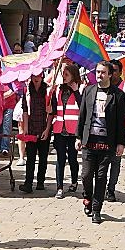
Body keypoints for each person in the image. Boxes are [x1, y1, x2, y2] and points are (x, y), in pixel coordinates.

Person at [75, 61, 125, 224]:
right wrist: (78, 136)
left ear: (110, 75)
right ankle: (88, 196)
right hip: (89, 140)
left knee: (102, 176)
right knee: (86, 175)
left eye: (103, 72)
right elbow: (82, 115)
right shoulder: (89, 91)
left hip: (107, 142)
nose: (99, 75)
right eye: (97, 72)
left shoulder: (118, 95)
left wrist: (120, 143)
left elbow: (120, 122)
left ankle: (97, 209)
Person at [46, 63, 82, 199]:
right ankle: (59, 187)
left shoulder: (81, 88)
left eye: (67, 74)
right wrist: (50, 107)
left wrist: (77, 91)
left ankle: (74, 181)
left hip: (73, 131)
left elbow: (83, 106)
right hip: (59, 130)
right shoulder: (57, 90)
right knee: (60, 159)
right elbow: (53, 109)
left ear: (73, 75)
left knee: (72, 159)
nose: (64, 77)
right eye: (63, 74)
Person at [106, 59, 125, 202]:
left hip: (119, 130)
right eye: (109, 71)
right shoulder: (101, 86)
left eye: (115, 71)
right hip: (102, 129)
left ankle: (111, 189)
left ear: (120, 72)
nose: (111, 74)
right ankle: (100, 187)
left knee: (115, 160)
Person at [18, 73, 50, 193]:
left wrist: (47, 129)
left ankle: (40, 182)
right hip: (31, 128)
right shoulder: (26, 90)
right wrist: (25, 127)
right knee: (30, 158)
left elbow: (51, 113)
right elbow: (25, 109)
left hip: (43, 128)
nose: (36, 78)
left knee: (43, 158)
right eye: (34, 76)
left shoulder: (48, 90)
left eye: (39, 76)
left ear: (42, 77)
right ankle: (28, 183)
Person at [12, 43, 26, 166]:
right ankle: (22, 156)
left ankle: (29, 154)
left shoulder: (34, 74)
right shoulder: (14, 74)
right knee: (21, 130)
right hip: (22, 104)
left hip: (33, 105)